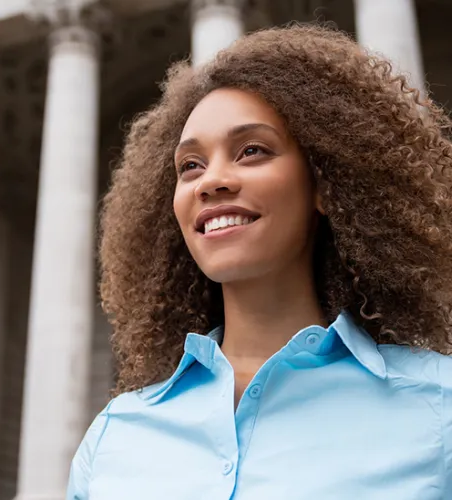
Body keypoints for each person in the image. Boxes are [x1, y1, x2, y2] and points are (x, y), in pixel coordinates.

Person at [67, 24, 452, 499]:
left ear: (325, 184)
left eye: (252, 151)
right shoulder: (114, 439)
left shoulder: (440, 409)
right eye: (190, 165)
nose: (211, 181)